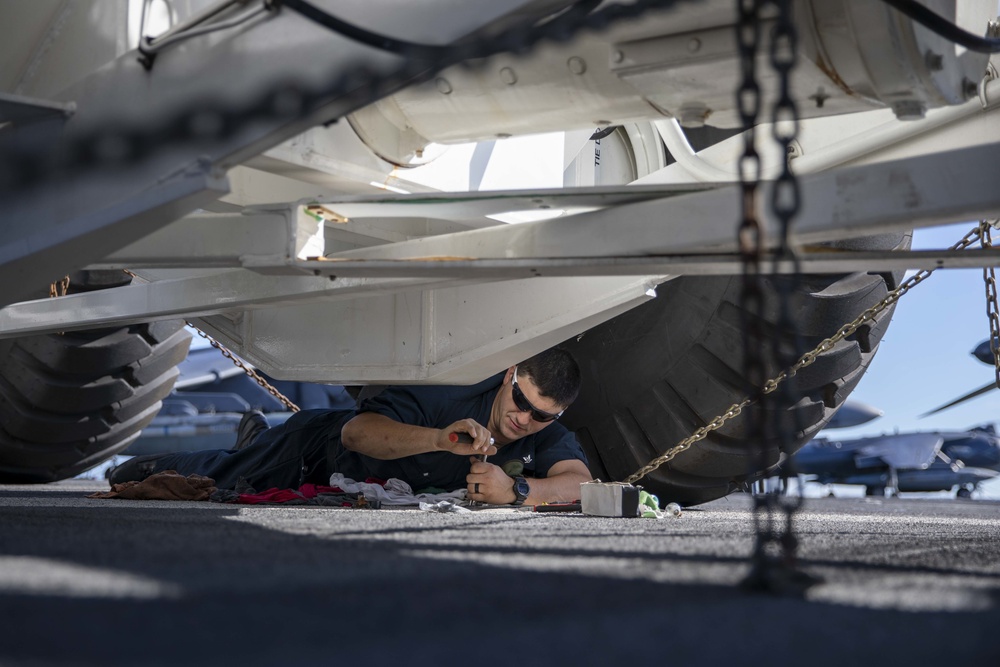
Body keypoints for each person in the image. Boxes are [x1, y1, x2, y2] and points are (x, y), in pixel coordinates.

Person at [110, 348, 591, 506]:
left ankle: (256, 438)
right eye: (520, 400)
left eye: (540, 416)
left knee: (244, 466)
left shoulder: (539, 433)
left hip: (347, 487)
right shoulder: (449, 392)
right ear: (509, 377)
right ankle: (141, 463)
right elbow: (356, 434)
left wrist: (519, 491)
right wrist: (439, 441)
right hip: (313, 453)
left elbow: (581, 482)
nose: (522, 419)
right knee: (216, 479)